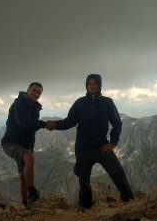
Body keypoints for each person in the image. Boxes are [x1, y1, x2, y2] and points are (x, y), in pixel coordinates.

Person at [46, 74, 134, 208]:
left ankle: (129, 200)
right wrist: (56, 125)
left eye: (95, 83)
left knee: (117, 172)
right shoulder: (79, 103)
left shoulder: (107, 102)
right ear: (86, 86)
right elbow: (70, 121)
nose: (92, 85)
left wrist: (113, 142)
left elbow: (117, 123)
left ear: (99, 86)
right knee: (84, 180)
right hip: (83, 148)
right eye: (89, 83)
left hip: (102, 146)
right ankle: (86, 207)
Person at [1, 82, 47, 206]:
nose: (35, 94)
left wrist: (31, 147)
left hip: (24, 145)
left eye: (38, 92)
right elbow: (24, 124)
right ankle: (32, 193)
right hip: (10, 143)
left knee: (23, 177)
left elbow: (31, 130)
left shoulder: (35, 108)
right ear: (27, 91)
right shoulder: (19, 104)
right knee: (29, 158)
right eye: (33, 90)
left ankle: (25, 204)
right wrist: (43, 124)